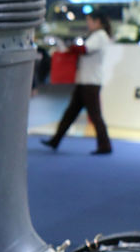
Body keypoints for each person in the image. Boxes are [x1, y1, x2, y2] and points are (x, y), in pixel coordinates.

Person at [43, 11, 113, 154]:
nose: (88, 24)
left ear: (97, 21)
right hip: (84, 80)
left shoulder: (100, 36)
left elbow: (85, 49)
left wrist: (71, 47)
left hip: (91, 81)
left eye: (89, 20)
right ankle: (55, 140)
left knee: (95, 115)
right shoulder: (96, 35)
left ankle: (105, 145)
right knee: (71, 113)